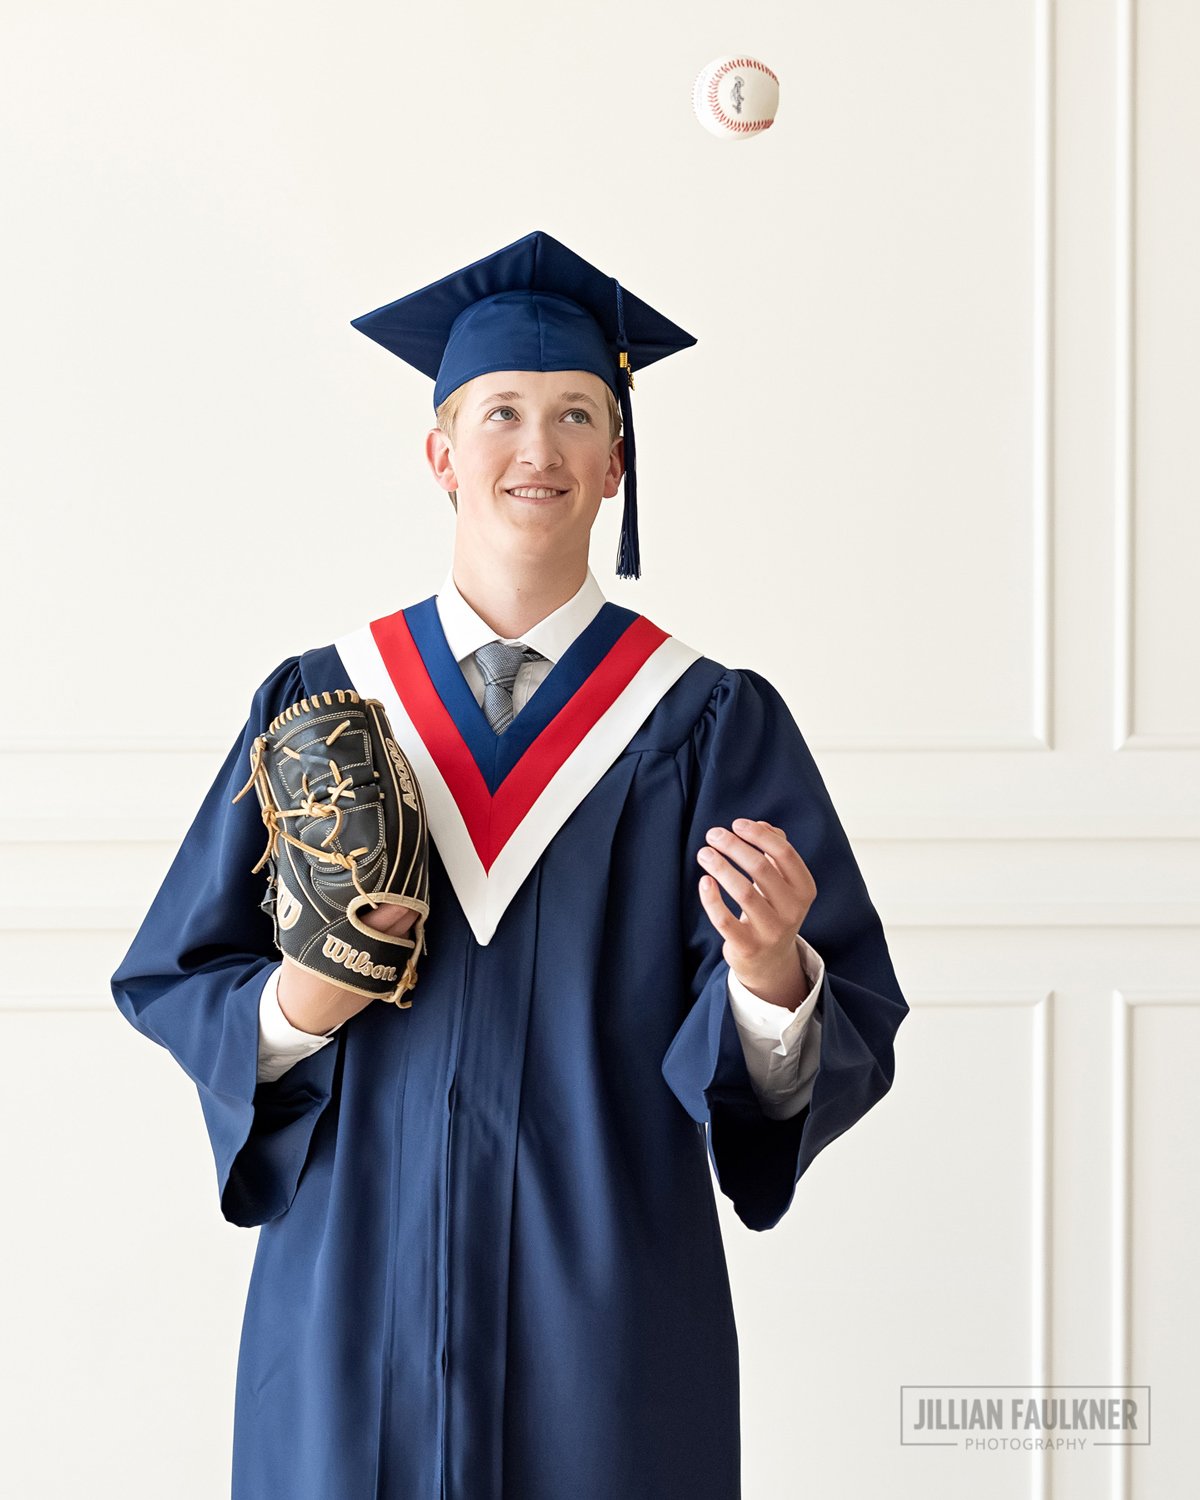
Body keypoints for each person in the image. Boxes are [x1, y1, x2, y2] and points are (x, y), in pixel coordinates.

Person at [111, 228, 910, 1500]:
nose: (535, 447)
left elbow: (814, 1036)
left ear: (615, 466)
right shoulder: (321, 703)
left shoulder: (704, 721)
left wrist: (771, 971)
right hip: (351, 1297)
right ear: (441, 453)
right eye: (500, 414)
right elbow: (175, 973)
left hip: (602, 1315)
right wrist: (297, 1004)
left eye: (576, 415)